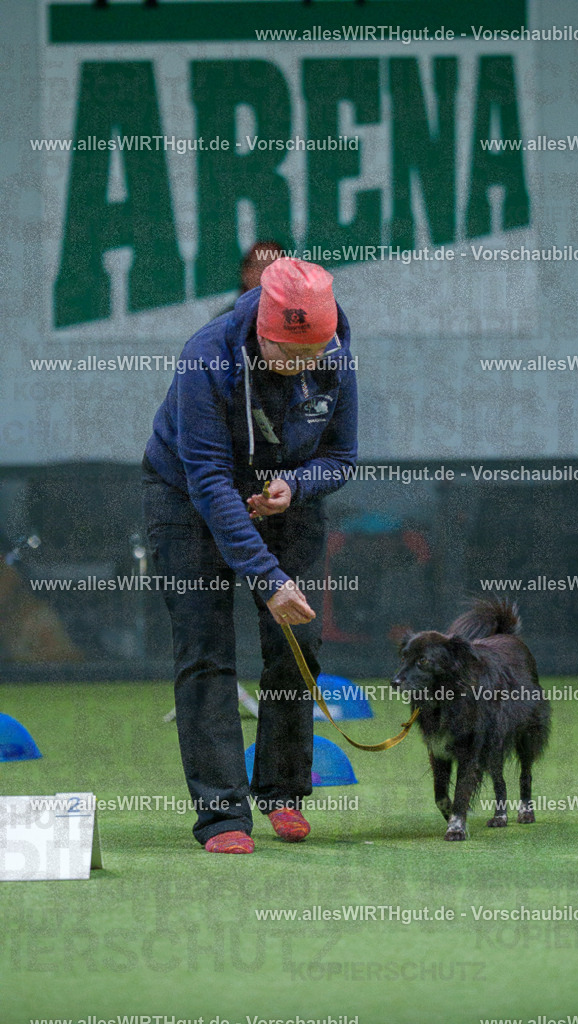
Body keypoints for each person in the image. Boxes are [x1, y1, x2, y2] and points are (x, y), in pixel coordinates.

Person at [142, 258, 358, 853]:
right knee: (206, 647)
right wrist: (266, 577)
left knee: (300, 642)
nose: (300, 368)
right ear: (262, 333)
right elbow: (209, 479)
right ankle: (222, 816)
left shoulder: (335, 353)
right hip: (187, 499)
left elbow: (341, 455)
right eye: (287, 356)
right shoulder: (206, 357)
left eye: (311, 355)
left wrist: (297, 486)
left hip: (286, 498)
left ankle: (283, 791)